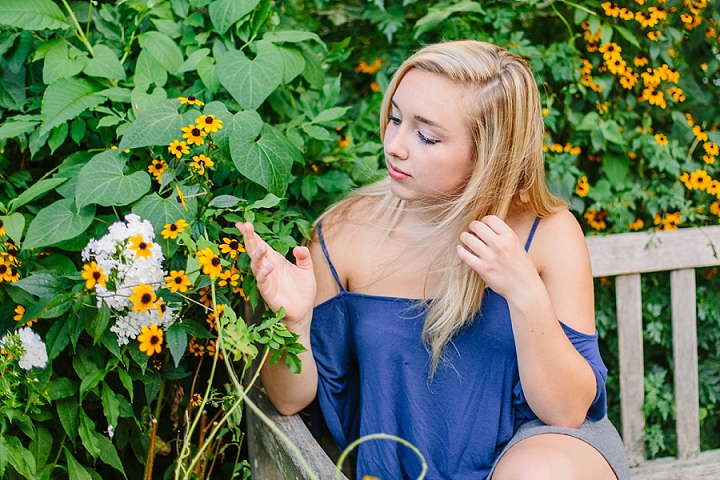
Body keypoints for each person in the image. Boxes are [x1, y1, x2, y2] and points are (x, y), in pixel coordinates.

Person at [237, 40, 630, 480]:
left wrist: (524, 293)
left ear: (488, 154)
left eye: (426, 136)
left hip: (542, 453)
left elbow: (568, 411)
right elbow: (290, 401)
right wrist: (293, 323)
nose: (395, 145)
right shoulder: (345, 232)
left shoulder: (547, 233)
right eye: (395, 118)